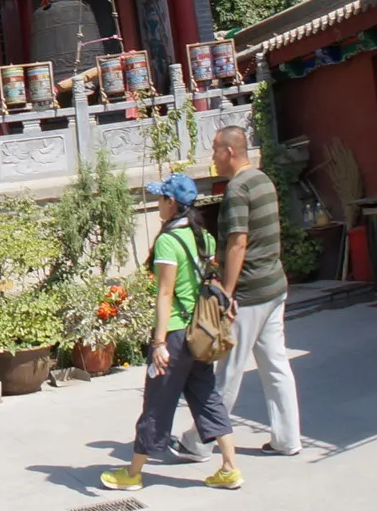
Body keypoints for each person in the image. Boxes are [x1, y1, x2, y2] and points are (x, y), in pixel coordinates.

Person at [101, 173, 242, 492]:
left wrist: (159, 341)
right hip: (200, 334)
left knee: (156, 403)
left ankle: (133, 474)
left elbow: (165, 293)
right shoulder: (204, 238)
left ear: (172, 203)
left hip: (176, 334)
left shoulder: (168, 240)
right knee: (207, 398)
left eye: (161, 199)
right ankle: (230, 467)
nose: (158, 204)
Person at [177, 125, 303, 459]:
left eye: (215, 151)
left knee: (226, 372)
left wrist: (226, 293)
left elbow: (238, 242)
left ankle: (198, 442)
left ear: (229, 152)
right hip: (274, 285)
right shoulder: (263, 180)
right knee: (276, 365)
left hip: (248, 293)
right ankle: (287, 438)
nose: (213, 159)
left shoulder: (237, 189)